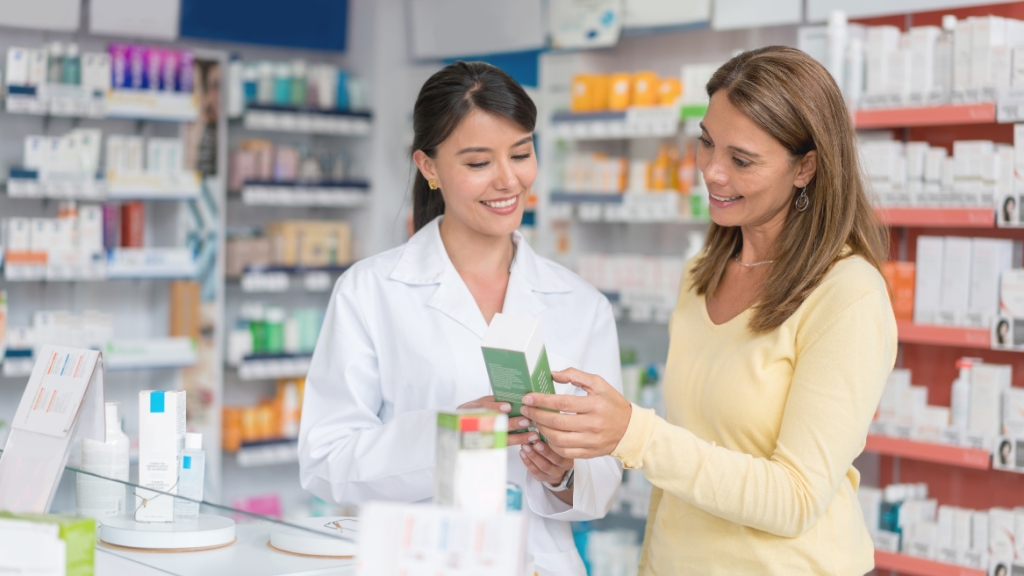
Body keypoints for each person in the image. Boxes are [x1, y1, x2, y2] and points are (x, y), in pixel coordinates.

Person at [519, 47, 896, 575]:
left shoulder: (847, 294)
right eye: (705, 143)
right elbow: (690, 466)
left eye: (741, 160)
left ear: (805, 167)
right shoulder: (702, 274)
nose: (713, 173)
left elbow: (795, 499)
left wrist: (636, 434)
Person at [298, 61, 622, 576]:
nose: (508, 180)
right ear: (428, 167)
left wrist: (564, 475)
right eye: (478, 163)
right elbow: (326, 462)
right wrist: (452, 435)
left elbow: (604, 473)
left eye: (521, 153)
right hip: (417, 561)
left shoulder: (581, 304)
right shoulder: (371, 290)